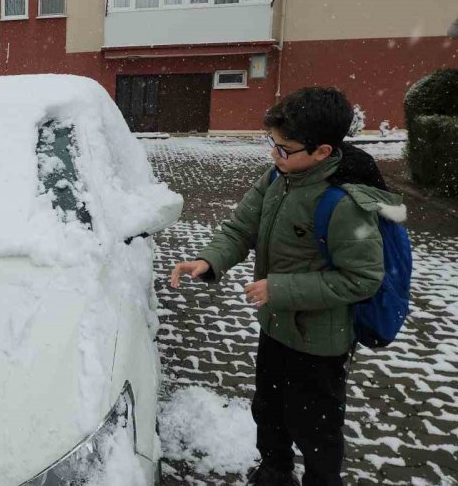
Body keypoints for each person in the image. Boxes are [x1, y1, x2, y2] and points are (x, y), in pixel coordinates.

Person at [170, 87, 403, 486]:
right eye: (272, 143)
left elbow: (362, 278)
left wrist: (279, 289)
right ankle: (275, 471)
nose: (274, 155)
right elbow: (241, 227)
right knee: (269, 409)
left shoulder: (344, 204)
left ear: (322, 151)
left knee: (316, 428)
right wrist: (210, 260)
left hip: (320, 344)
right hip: (276, 328)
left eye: (285, 149)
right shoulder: (278, 178)